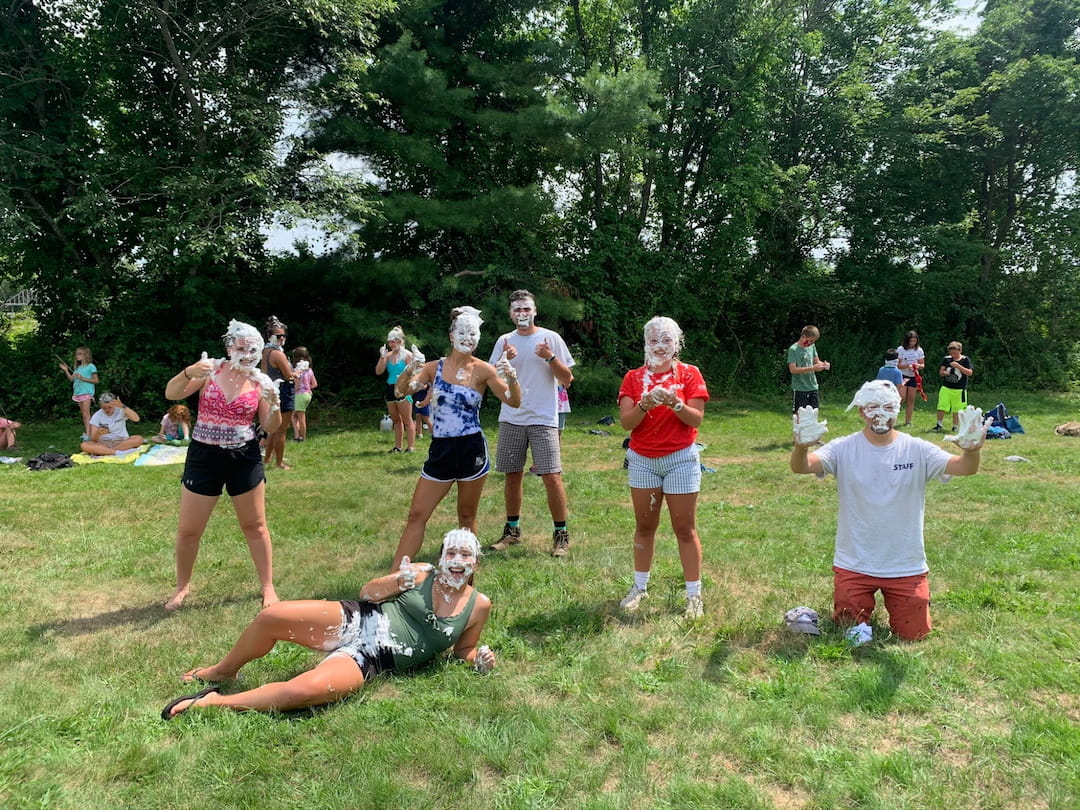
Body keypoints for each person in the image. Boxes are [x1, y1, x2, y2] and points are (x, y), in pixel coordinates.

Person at [161, 528, 497, 718]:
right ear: (441, 557)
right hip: (358, 618)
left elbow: (463, 648)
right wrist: (398, 582)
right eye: (450, 553)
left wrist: (477, 660)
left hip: (375, 658)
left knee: (305, 691)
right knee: (272, 616)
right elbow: (368, 591)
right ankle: (224, 670)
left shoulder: (479, 605)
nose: (456, 561)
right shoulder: (422, 573)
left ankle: (214, 702)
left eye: (465, 555)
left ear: (475, 562)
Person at [790, 380, 986, 640]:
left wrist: (972, 451)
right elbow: (802, 467)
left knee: (913, 634)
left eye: (887, 407)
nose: (879, 414)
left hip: (905, 564)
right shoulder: (843, 448)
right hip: (855, 562)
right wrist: (801, 447)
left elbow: (965, 468)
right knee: (849, 631)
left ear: (898, 408)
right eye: (872, 407)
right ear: (861, 411)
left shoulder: (917, 449)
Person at [163, 320, 282, 611]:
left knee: (255, 525)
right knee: (189, 530)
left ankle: (268, 587)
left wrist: (275, 404)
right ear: (229, 347)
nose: (246, 352)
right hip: (204, 456)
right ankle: (182, 587)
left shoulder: (260, 381)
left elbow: (271, 426)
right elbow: (172, 393)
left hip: (244, 457)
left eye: (252, 348)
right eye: (240, 347)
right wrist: (189, 371)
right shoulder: (211, 370)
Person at [389, 306, 520, 570]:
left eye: (473, 334)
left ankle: (465, 580)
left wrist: (513, 379)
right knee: (417, 514)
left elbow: (513, 401)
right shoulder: (432, 368)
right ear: (451, 336)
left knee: (467, 516)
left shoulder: (484, 370)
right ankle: (393, 577)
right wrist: (409, 368)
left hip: (472, 449)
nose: (468, 338)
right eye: (462, 332)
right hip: (441, 450)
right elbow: (401, 391)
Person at [617, 317, 710, 618]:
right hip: (643, 459)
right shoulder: (633, 377)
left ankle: (694, 595)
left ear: (677, 343)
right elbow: (627, 423)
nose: (660, 346)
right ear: (645, 343)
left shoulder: (689, 374)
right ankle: (639, 587)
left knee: (685, 529)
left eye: (666, 340)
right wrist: (644, 404)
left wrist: (675, 403)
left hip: (681, 458)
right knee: (645, 527)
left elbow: (696, 419)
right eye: (654, 340)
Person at [487, 290, 576, 557]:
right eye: (517, 310)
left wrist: (549, 357)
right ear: (510, 314)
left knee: (551, 476)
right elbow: (493, 380)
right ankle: (512, 531)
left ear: (535, 311)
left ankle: (561, 535)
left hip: (543, 418)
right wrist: (505, 361)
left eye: (526, 309)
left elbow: (567, 378)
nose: (522, 314)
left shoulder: (550, 338)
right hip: (511, 418)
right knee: (512, 476)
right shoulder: (504, 341)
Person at [261, 316, 296, 469]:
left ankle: (267, 459)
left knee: (274, 429)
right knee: (282, 429)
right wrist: (299, 371)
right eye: (279, 336)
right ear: (270, 336)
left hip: (272, 389)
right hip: (284, 389)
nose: (282, 338)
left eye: (284, 335)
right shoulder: (277, 353)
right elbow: (289, 375)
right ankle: (279, 463)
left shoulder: (265, 351)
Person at [375, 326, 417, 453]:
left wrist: (408, 383)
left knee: (407, 419)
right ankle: (398, 447)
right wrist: (382, 358)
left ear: (400, 341)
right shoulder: (387, 355)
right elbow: (379, 371)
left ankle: (410, 447)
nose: (391, 344)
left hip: (403, 388)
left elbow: (415, 373)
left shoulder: (408, 355)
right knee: (396, 419)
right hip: (390, 387)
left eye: (393, 341)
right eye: (389, 342)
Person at [80, 393, 144, 456]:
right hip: (104, 443)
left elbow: (136, 419)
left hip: (121, 441)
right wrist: (98, 433)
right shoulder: (97, 416)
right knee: (84, 445)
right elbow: (93, 439)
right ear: (101, 406)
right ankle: (118, 452)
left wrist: (122, 406)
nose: (107, 410)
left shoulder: (120, 410)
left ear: (114, 404)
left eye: (110, 407)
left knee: (139, 439)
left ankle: (108, 451)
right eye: (104, 408)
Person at [933, 341, 973, 432]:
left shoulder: (965, 360)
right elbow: (941, 372)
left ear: (960, 351)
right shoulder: (947, 359)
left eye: (955, 353)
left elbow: (969, 373)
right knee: (941, 405)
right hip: (946, 387)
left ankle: (955, 426)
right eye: (951, 353)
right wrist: (945, 373)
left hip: (959, 389)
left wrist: (958, 366)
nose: (953, 355)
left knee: (957, 408)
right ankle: (939, 425)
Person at [59, 346, 98, 439]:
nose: (77, 356)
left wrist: (83, 378)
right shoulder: (78, 368)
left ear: (86, 355)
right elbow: (72, 379)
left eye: (80, 354)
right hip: (78, 393)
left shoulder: (91, 366)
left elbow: (96, 380)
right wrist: (66, 370)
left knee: (86, 414)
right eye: (76, 354)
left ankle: (89, 435)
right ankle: (87, 433)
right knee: (84, 415)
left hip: (87, 392)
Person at [788, 325, 829, 413]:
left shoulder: (812, 346)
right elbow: (793, 369)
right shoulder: (793, 349)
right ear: (803, 337)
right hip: (800, 388)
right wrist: (812, 368)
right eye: (810, 340)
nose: (810, 343)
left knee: (814, 414)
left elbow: (817, 362)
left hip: (813, 386)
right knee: (799, 415)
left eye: (813, 341)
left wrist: (824, 365)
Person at [896, 330, 925, 427]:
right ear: (906, 340)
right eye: (911, 341)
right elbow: (898, 365)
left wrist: (917, 366)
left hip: (914, 376)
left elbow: (922, 365)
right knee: (901, 397)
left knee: (911, 399)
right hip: (903, 375)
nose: (912, 343)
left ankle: (908, 422)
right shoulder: (901, 349)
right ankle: (893, 417)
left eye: (914, 341)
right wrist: (907, 366)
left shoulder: (919, 350)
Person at [290, 346, 318, 442]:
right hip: (308, 395)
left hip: (299, 395)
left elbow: (297, 386)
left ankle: (302, 438)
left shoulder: (297, 370)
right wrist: (307, 389)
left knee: (300, 418)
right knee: (294, 416)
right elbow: (314, 384)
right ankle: (297, 435)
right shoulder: (309, 370)